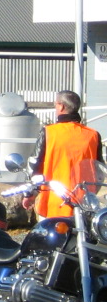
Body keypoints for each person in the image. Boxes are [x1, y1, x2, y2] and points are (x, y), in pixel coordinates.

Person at [27, 90, 104, 219]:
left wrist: (29, 194)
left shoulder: (49, 132)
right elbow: (100, 170)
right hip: (85, 204)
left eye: (55, 104)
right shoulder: (93, 135)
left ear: (61, 106)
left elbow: (35, 164)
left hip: (55, 202)